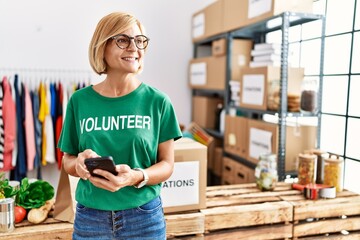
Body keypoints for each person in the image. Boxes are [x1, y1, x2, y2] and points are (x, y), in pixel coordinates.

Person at [57, 11, 182, 240]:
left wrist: (135, 176)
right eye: (123, 40)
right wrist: (80, 165)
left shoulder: (158, 102)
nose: (134, 48)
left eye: (140, 40)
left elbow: (167, 165)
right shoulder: (80, 101)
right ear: (102, 46)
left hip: (144, 218)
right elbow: (67, 160)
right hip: (90, 218)